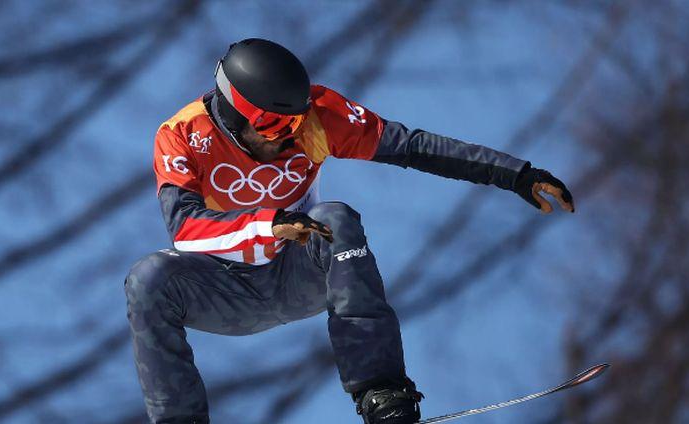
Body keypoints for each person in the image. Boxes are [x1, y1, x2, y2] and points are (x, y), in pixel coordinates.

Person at [124, 38, 574, 424]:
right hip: (223, 290)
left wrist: (514, 174)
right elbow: (184, 227)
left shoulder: (319, 118)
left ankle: (384, 394)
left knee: (336, 220)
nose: (290, 137)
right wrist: (270, 224)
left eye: (297, 122)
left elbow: (412, 146)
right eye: (276, 127)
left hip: (298, 274)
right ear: (234, 114)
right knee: (148, 279)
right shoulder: (183, 135)